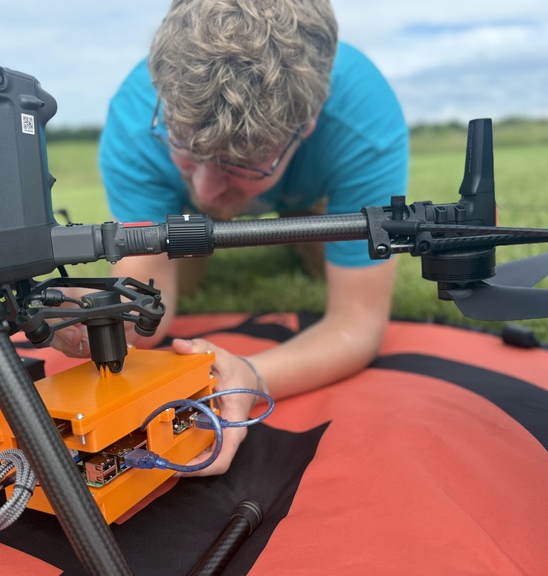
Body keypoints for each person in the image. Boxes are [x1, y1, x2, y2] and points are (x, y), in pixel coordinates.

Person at [54, 0, 408, 475]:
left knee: (319, 257)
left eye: (243, 163)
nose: (203, 189)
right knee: (182, 270)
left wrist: (252, 376)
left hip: (313, 191)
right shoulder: (137, 118)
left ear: (310, 123)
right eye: (182, 146)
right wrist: (87, 315)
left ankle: (296, 206)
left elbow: (356, 326)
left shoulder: (363, 121)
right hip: (172, 201)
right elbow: (145, 315)